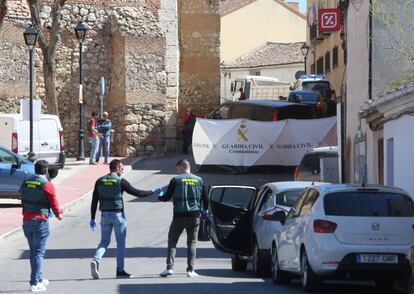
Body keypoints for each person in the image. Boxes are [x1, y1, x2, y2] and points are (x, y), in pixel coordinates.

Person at [89, 159, 162, 279]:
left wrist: (92, 218)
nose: (122, 170)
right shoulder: (121, 181)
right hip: (118, 215)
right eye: (122, 168)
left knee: (104, 241)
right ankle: (120, 270)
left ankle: (96, 260)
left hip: (104, 215)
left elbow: (94, 201)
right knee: (120, 243)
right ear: (117, 168)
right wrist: (152, 191)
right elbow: (137, 193)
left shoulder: (99, 181)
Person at [158, 159, 208, 278]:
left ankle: (169, 268)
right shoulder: (199, 180)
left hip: (179, 215)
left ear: (181, 167)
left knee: (172, 242)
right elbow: (206, 198)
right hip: (195, 216)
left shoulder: (176, 180)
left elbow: (166, 197)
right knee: (192, 243)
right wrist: (205, 211)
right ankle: (190, 270)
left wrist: (159, 195)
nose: (177, 171)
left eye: (177, 169)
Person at [20, 160, 63, 292]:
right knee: (38, 253)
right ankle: (34, 283)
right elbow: (54, 203)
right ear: (46, 171)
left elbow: (22, 195)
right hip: (40, 221)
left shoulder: (26, 182)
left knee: (34, 252)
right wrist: (58, 215)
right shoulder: (47, 184)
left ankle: (39, 278)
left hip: (26, 220)